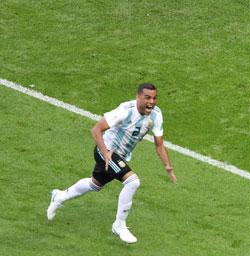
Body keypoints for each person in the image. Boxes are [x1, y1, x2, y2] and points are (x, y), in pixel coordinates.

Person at [46, 83, 177, 244]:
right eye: (147, 97)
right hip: (105, 150)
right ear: (138, 97)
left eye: (154, 98)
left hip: (120, 156)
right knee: (132, 182)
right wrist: (106, 153)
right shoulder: (125, 111)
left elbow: (159, 144)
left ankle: (59, 196)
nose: (152, 101)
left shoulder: (156, 115)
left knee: (95, 184)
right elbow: (96, 129)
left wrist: (167, 166)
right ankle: (119, 225)